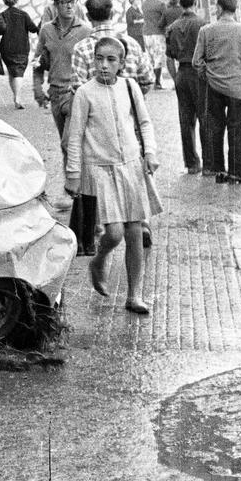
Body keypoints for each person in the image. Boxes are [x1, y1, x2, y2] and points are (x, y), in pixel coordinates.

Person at [66, 35, 159, 316]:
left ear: (120, 63)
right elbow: (75, 136)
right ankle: (99, 259)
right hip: (101, 170)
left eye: (111, 60)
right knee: (115, 233)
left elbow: (144, 122)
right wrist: (73, 173)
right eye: (99, 59)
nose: (104, 65)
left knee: (135, 232)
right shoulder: (84, 93)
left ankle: (134, 295)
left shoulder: (130, 87)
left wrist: (150, 153)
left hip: (131, 167)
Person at [32, 0, 90, 206]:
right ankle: (74, 189)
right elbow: (38, 61)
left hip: (76, 94)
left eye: (73, 1)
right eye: (64, 2)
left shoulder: (85, 31)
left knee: (69, 143)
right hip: (55, 94)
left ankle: (73, 191)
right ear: (55, 5)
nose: (69, 6)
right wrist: (37, 88)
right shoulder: (46, 30)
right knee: (65, 144)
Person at [193, 0, 241, 184]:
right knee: (237, 129)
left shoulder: (206, 30)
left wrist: (208, 73)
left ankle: (219, 170)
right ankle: (236, 172)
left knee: (215, 128)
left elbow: (197, 61)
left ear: (220, 9)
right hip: (237, 87)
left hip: (214, 86)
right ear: (235, 10)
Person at [165, 0, 209, 173]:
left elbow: (169, 58)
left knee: (186, 120)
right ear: (196, 2)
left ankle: (191, 163)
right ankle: (209, 163)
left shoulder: (172, 27)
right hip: (199, 74)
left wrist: (176, 77)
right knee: (205, 117)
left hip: (181, 73)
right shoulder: (202, 25)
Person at [0, 0, 40, 108]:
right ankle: (17, 98)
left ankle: (15, 96)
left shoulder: (2, 15)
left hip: (6, 48)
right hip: (21, 47)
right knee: (19, 73)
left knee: (12, 72)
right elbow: (33, 28)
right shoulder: (23, 15)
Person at [141, 0, 168, 88]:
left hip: (146, 32)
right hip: (158, 32)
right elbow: (165, 18)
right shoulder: (160, 4)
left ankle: (152, 80)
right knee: (158, 58)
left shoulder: (144, 4)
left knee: (150, 57)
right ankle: (157, 82)